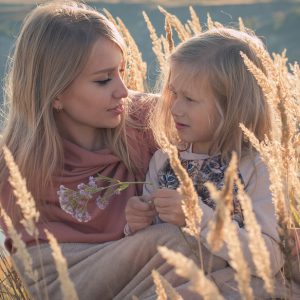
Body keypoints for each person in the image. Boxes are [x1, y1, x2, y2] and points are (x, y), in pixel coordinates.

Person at [0, 1, 198, 299]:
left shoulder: (146, 119)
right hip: (65, 276)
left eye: (121, 71)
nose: (122, 89)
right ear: (55, 92)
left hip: (147, 265)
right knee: (172, 244)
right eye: (104, 79)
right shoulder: (13, 164)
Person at [125, 27, 300, 299]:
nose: (175, 108)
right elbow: (150, 248)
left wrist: (198, 217)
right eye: (174, 93)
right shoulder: (165, 161)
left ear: (233, 107)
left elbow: (269, 259)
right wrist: (135, 224)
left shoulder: (257, 169)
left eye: (190, 99)